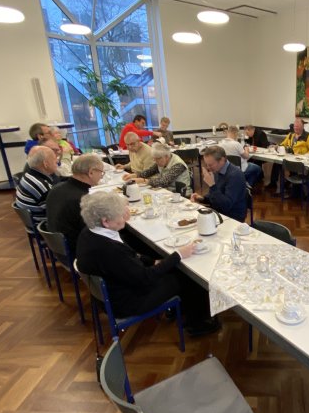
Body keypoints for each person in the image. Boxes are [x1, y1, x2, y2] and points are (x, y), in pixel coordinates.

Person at [75, 192, 219, 337]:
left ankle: (179, 311)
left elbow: (130, 258)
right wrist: (178, 255)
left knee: (169, 266)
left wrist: (154, 261)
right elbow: (145, 278)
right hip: (129, 302)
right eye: (120, 215)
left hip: (115, 290)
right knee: (187, 276)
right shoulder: (109, 249)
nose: (125, 216)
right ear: (105, 221)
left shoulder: (88, 233)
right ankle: (197, 324)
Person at [45, 154, 105, 255]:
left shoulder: (57, 187)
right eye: (101, 172)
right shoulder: (83, 199)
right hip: (76, 250)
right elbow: (94, 231)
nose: (101, 176)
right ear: (91, 172)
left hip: (56, 246)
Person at [191, 145, 248, 222]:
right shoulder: (217, 170)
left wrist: (212, 185)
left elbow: (225, 206)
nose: (208, 167)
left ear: (222, 160)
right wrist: (202, 198)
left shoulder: (235, 175)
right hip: (219, 212)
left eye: (210, 164)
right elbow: (215, 196)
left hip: (232, 218)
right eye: (206, 164)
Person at [269, 118, 309, 192]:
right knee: (277, 163)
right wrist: (277, 146)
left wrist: (306, 155)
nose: (296, 128)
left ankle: (292, 187)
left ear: (302, 127)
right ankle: (273, 183)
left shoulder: (308, 136)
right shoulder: (291, 135)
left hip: (300, 160)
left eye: (297, 127)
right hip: (290, 157)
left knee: (292, 168)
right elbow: (283, 144)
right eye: (295, 126)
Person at [124, 142, 191, 195]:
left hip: (180, 194)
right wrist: (135, 175)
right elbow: (149, 171)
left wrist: (144, 181)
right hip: (168, 192)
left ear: (166, 156)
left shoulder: (178, 165)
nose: (155, 161)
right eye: (154, 159)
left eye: (158, 159)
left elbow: (164, 182)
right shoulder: (162, 160)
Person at [15, 145, 58, 221]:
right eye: (54, 159)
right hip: (43, 224)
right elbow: (57, 212)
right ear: (46, 164)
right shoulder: (42, 186)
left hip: (34, 220)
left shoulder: (27, 175)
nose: (57, 161)